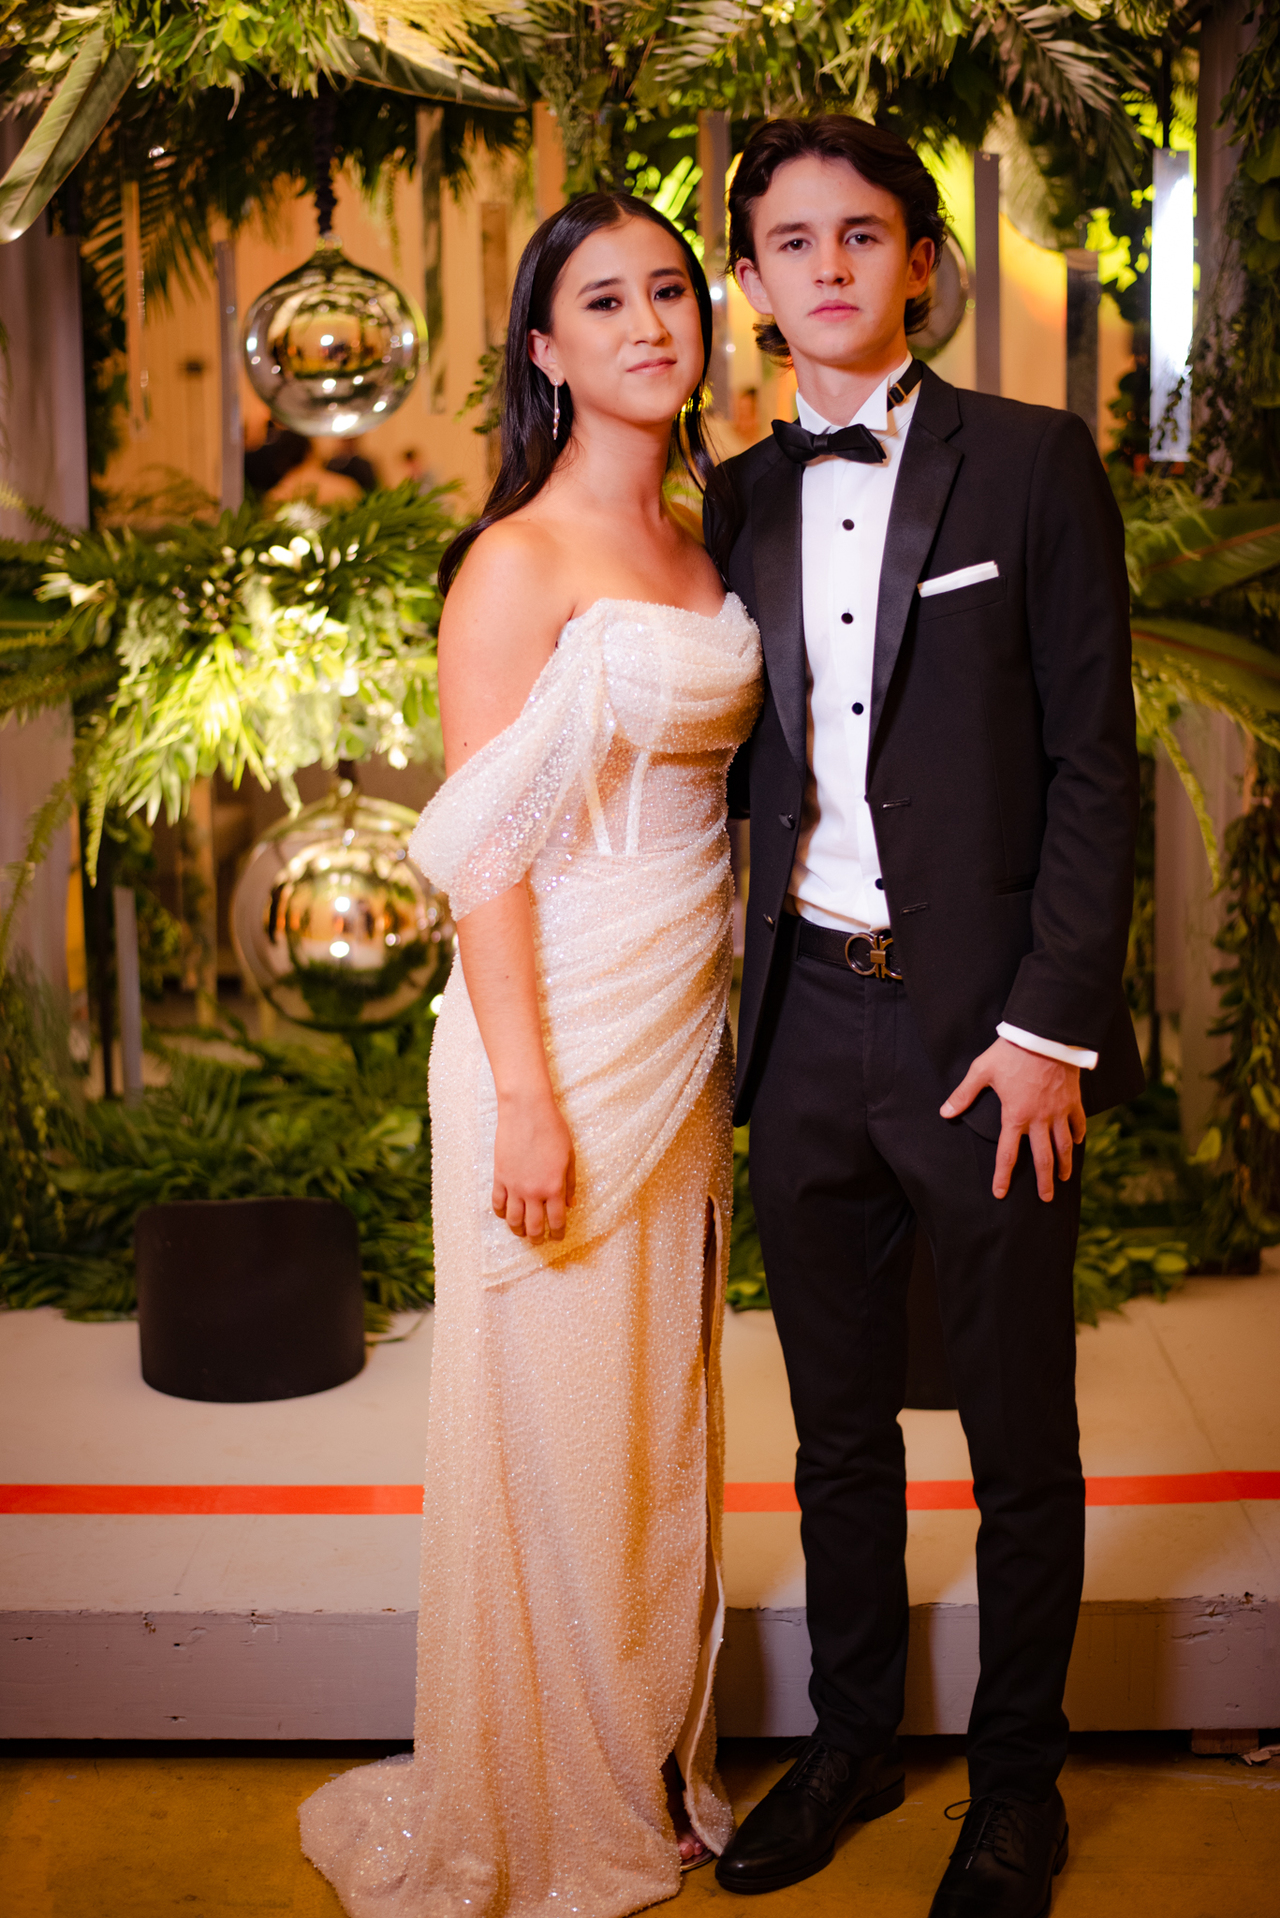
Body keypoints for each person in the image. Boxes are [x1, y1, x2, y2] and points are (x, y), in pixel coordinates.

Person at [298, 191, 762, 1917]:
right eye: (606, 301)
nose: (651, 323)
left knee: (656, 1424)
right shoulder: (515, 560)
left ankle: (642, 1756)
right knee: (556, 1433)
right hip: (550, 1033)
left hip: (680, 1026)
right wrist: (526, 1095)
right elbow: (484, 854)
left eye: (671, 290)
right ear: (547, 349)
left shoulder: (709, 543)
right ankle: (544, 1796)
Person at [704, 116, 1142, 1918]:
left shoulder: (1033, 464)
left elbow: (1094, 766)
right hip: (804, 1021)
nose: (829, 267)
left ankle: (1019, 1787)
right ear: (750, 280)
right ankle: (852, 1742)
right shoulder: (726, 499)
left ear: (920, 261)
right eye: (792, 241)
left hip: (987, 1036)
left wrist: (1049, 1028)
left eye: (863, 234)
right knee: (834, 1434)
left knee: (1019, 1435)